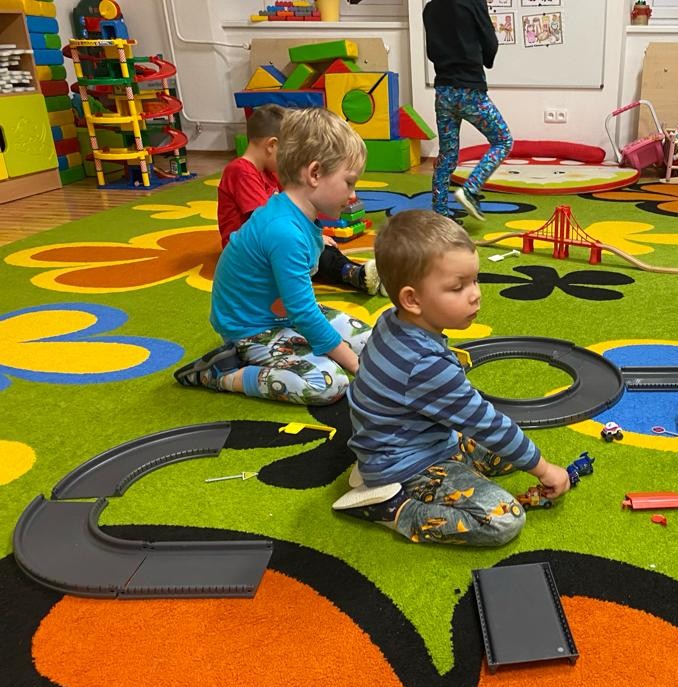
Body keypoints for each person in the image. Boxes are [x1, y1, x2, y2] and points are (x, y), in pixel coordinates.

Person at [339, 209, 571, 545]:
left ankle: (414, 471)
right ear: (412, 299)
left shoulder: (393, 318)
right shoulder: (424, 364)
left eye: (475, 280)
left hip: (412, 438)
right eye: (458, 286)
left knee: (507, 454)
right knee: (504, 518)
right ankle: (392, 508)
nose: (475, 293)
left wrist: (528, 458)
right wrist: (544, 469)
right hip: (407, 465)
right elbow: (484, 421)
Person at [174, 108, 373, 406]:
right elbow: (303, 312)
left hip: (286, 316)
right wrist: (355, 366)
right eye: (349, 182)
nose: (353, 195)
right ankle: (221, 374)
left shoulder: (299, 216)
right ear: (315, 174)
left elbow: (302, 307)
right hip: (252, 329)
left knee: (371, 344)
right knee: (329, 383)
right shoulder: (284, 231)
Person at [217, 104, 381, 295]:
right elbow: (265, 221)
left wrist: (314, 236)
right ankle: (352, 274)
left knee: (319, 247)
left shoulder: (270, 174)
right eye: (287, 152)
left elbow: (296, 208)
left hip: (276, 239)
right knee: (303, 249)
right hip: (253, 252)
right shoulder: (241, 171)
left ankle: (357, 273)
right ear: (272, 145)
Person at [423, 0, 513, 222]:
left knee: (447, 155)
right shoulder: (473, 1)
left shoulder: (430, 8)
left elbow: (432, 53)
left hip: (443, 92)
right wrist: (485, 59)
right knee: (503, 141)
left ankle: (440, 214)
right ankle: (471, 189)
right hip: (470, 91)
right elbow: (490, 42)